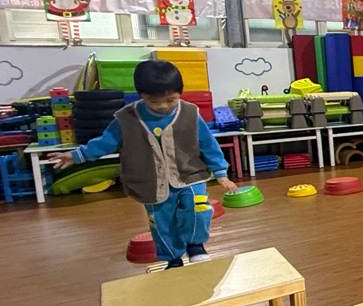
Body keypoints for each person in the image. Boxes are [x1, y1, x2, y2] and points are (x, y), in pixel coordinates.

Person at [45, 59, 238, 268]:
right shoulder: (127, 118)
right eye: (154, 101)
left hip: (190, 175)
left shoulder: (190, 113)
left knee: (198, 207)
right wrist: (76, 155)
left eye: (171, 100)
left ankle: (195, 245)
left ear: (179, 93)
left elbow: (208, 143)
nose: (163, 106)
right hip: (150, 182)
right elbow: (105, 142)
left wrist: (221, 173)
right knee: (161, 222)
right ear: (141, 95)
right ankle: (173, 258)